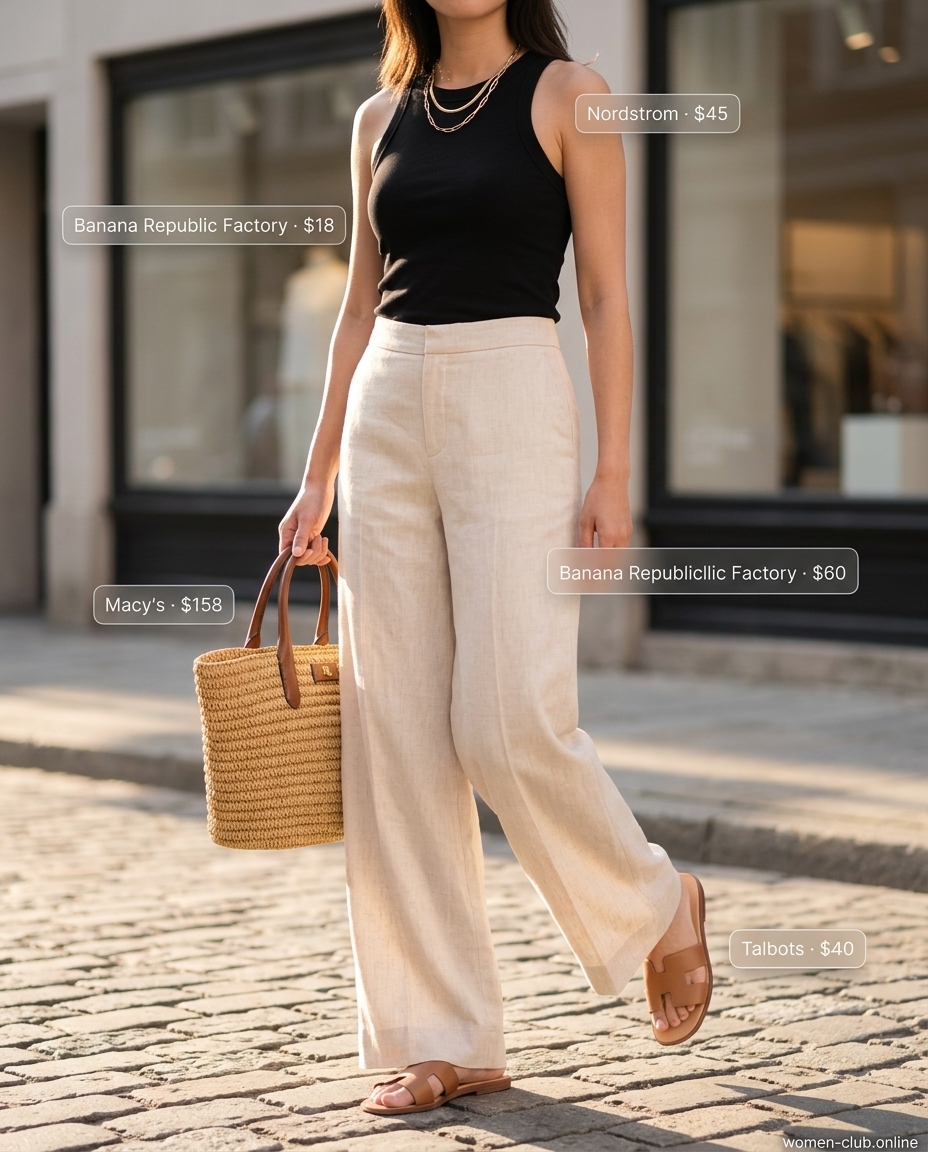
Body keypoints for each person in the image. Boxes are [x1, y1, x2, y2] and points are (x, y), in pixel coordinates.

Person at [279, 0, 712, 1116]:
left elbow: (608, 298)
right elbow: (358, 309)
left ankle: (657, 902)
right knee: (398, 731)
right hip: (386, 413)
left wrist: (615, 472)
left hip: (514, 391)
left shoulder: (573, 97)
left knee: (507, 715)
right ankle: (443, 1035)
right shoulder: (379, 114)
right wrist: (316, 475)